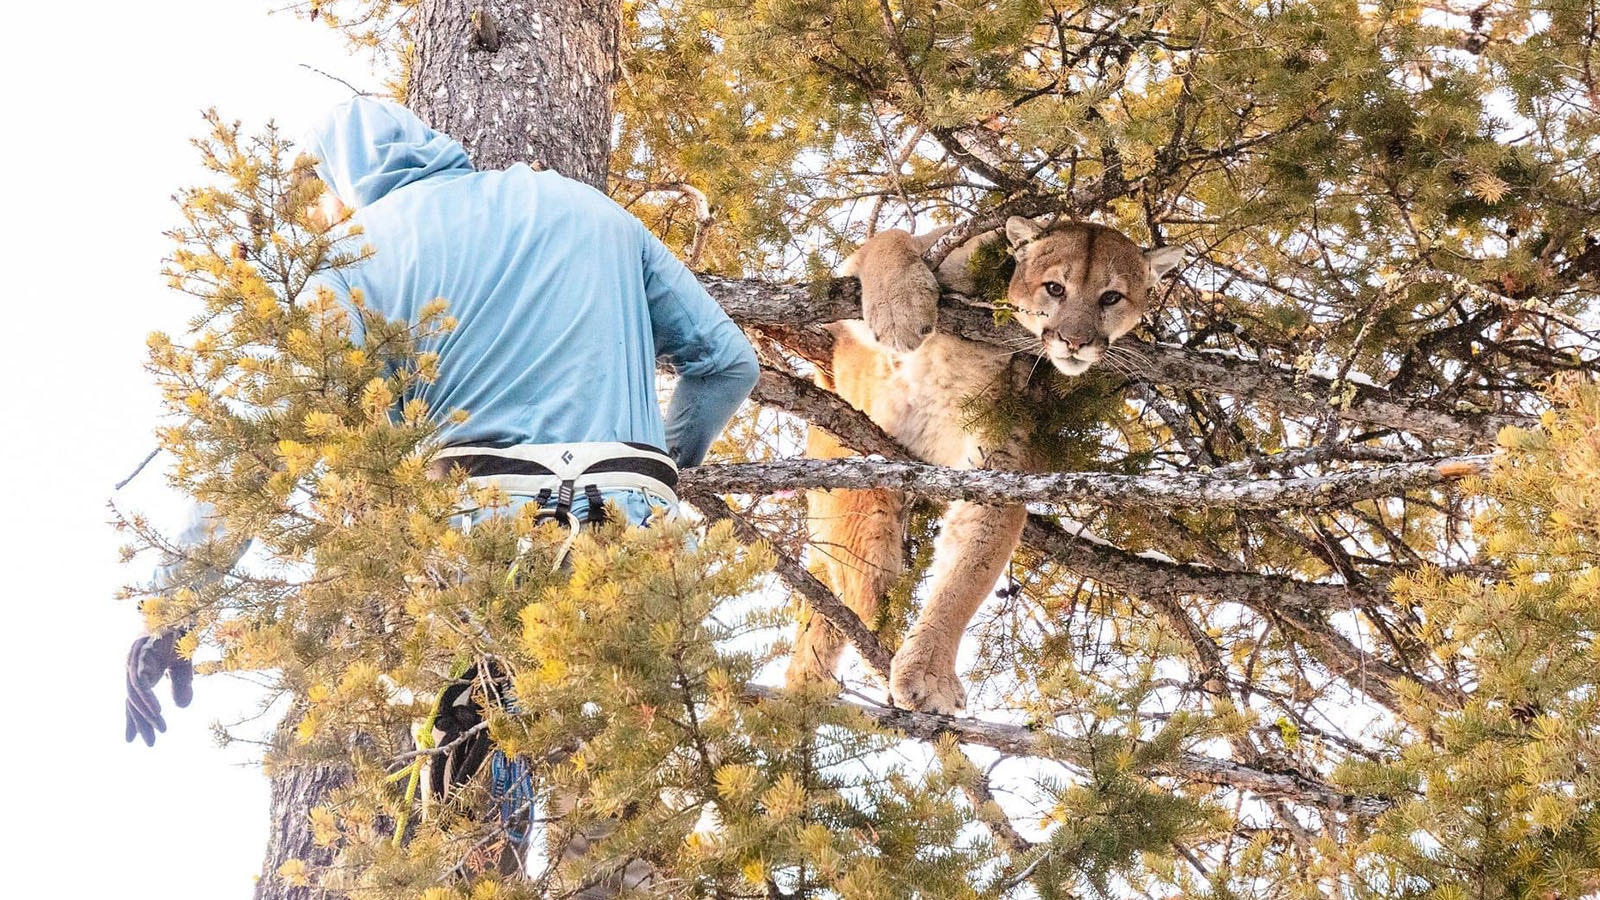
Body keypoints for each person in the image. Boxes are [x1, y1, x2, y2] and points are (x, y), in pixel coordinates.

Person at [123, 97, 761, 879]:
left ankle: (484, 843)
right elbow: (729, 365)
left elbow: (261, 453)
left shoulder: (359, 255)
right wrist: (654, 473)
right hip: (635, 542)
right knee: (625, 801)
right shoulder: (586, 207)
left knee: (466, 822)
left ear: (347, 178)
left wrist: (175, 609)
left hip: (482, 548)